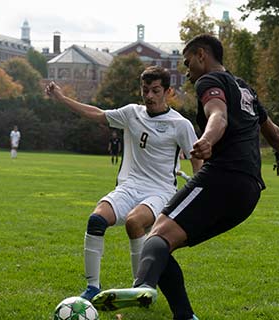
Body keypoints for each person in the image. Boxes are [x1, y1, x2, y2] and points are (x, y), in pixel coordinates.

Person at [91, 34, 279, 320]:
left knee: (156, 233)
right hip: (249, 192)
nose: (187, 70)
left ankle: (142, 286)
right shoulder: (245, 88)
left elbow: (218, 115)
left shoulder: (210, 81)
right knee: (164, 246)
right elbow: (274, 131)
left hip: (222, 177)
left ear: (202, 55)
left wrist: (207, 140)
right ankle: (185, 316)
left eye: (188, 61)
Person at [45, 66, 203, 302]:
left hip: (160, 191)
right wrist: (61, 98)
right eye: (145, 90)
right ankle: (92, 288)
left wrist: (197, 198)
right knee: (96, 220)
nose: (149, 96)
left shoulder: (180, 124)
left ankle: (141, 289)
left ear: (168, 92)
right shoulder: (131, 113)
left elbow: (197, 160)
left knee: (134, 222)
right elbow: (96, 113)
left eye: (155, 91)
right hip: (129, 187)